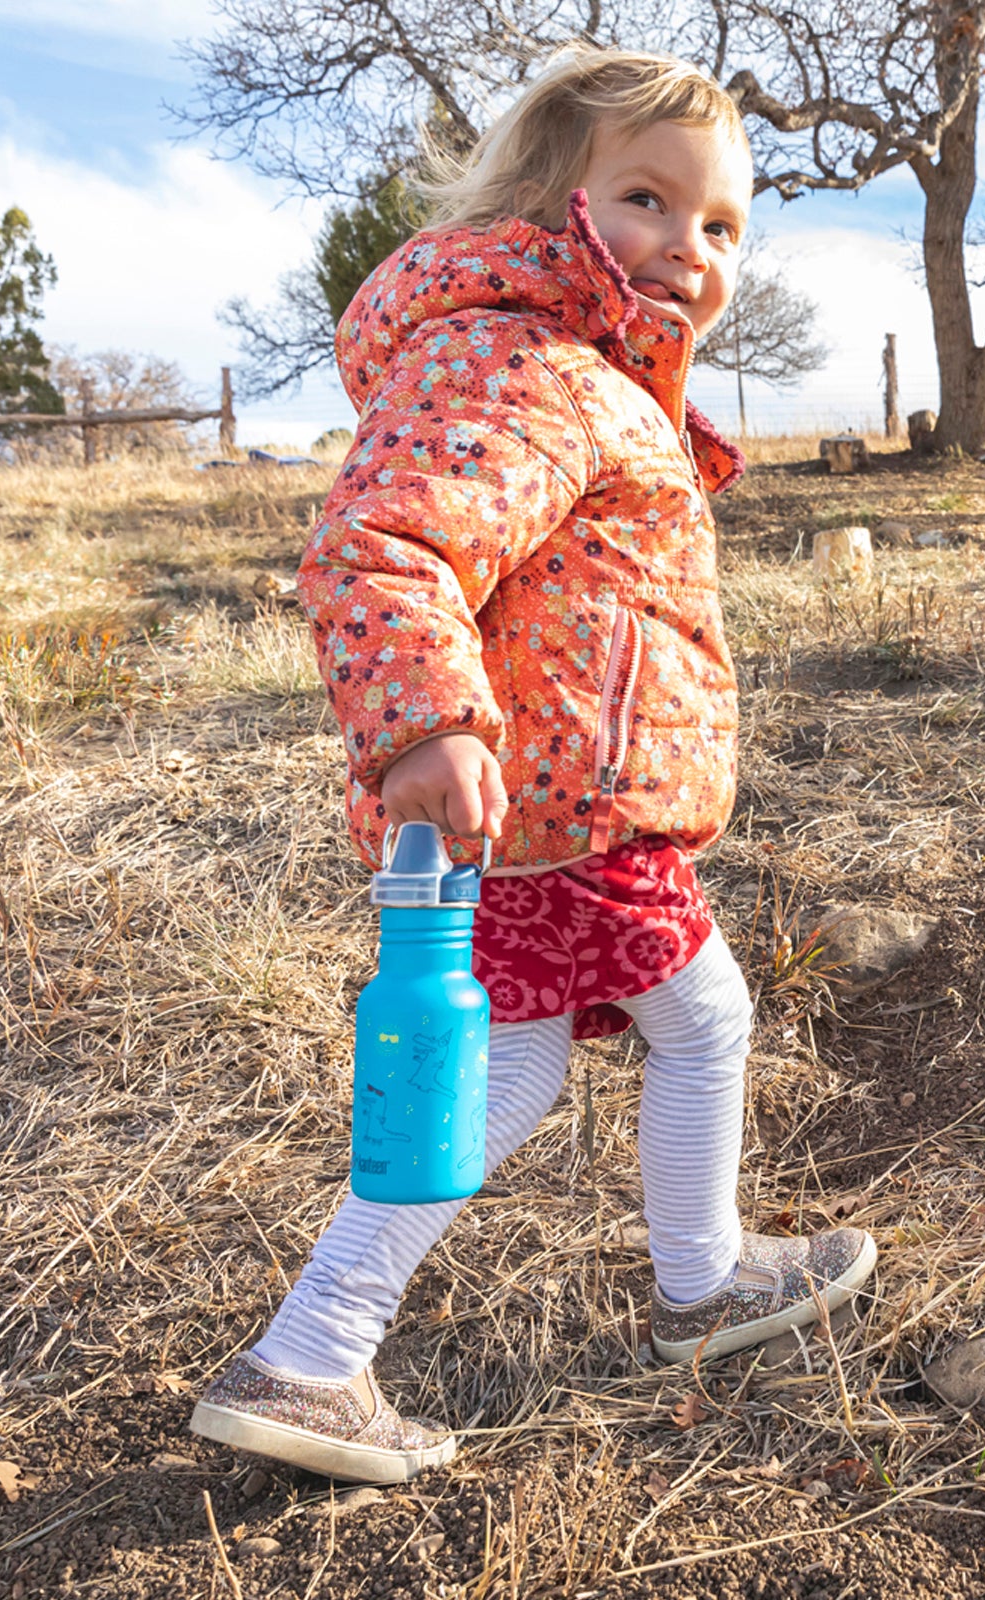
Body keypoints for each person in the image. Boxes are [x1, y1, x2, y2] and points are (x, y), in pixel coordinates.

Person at [188, 47, 877, 1486]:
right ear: (547, 199)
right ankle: (701, 1284)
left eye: (722, 224)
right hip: (570, 803)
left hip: (540, 804)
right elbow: (382, 543)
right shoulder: (528, 364)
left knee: (513, 1061)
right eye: (647, 199)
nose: (690, 245)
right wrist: (426, 721)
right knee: (706, 1020)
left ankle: (309, 1354)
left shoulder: (582, 371)